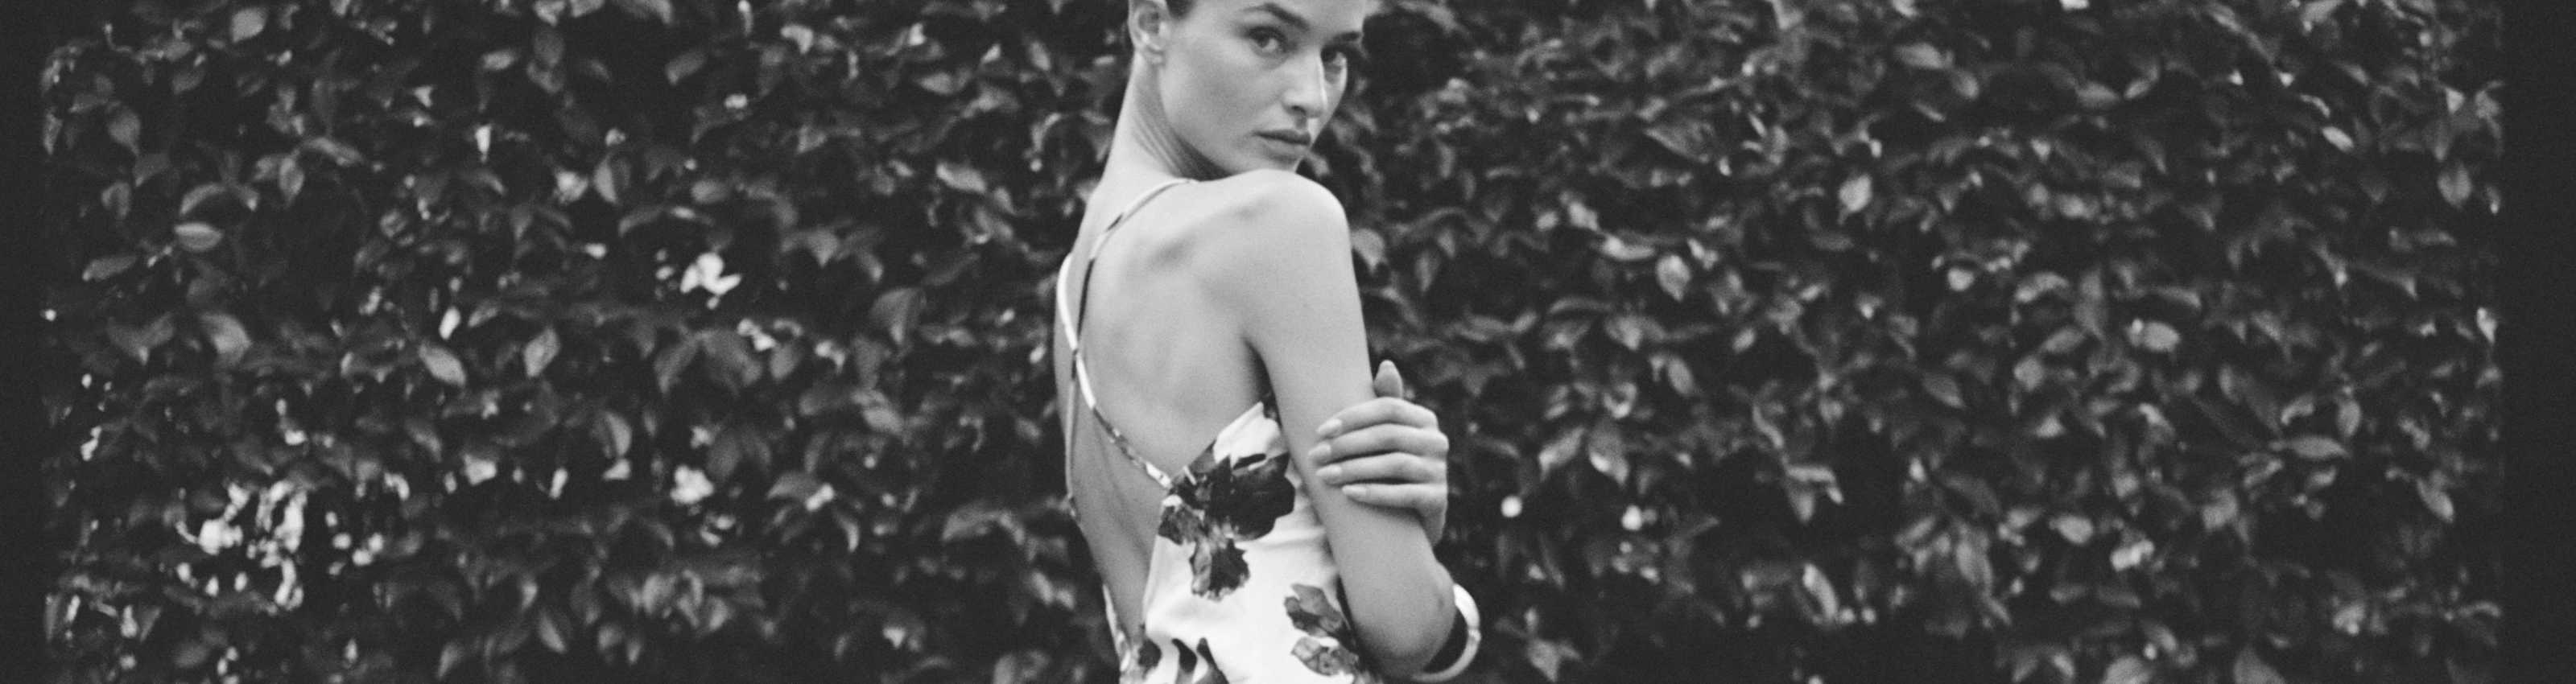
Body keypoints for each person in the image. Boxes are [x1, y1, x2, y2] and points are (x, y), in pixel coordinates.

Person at [1050, 0, 1481, 680]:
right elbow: (1403, 627)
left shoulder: (1075, 288)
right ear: (1152, 23)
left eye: (1335, 54)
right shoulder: (1280, 222)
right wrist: (1415, 540)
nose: (1312, 97)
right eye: (1268, 38)